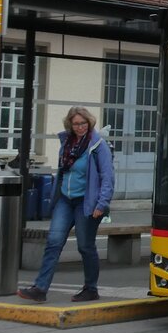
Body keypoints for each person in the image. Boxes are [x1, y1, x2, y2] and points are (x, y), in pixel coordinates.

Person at [18, 106, 114, 303]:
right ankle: (40, 288)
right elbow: (63, 172)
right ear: (70, 124)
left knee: (85, 246)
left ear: (89, 123)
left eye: (83, 123)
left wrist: (101, 204)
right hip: (65, 199)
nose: (80, 127)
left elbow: (108, 177)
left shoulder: (98, 146)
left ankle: (91, 289)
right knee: (53, 242)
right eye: (76, 124)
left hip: (86, 202)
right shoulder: (67, 143)